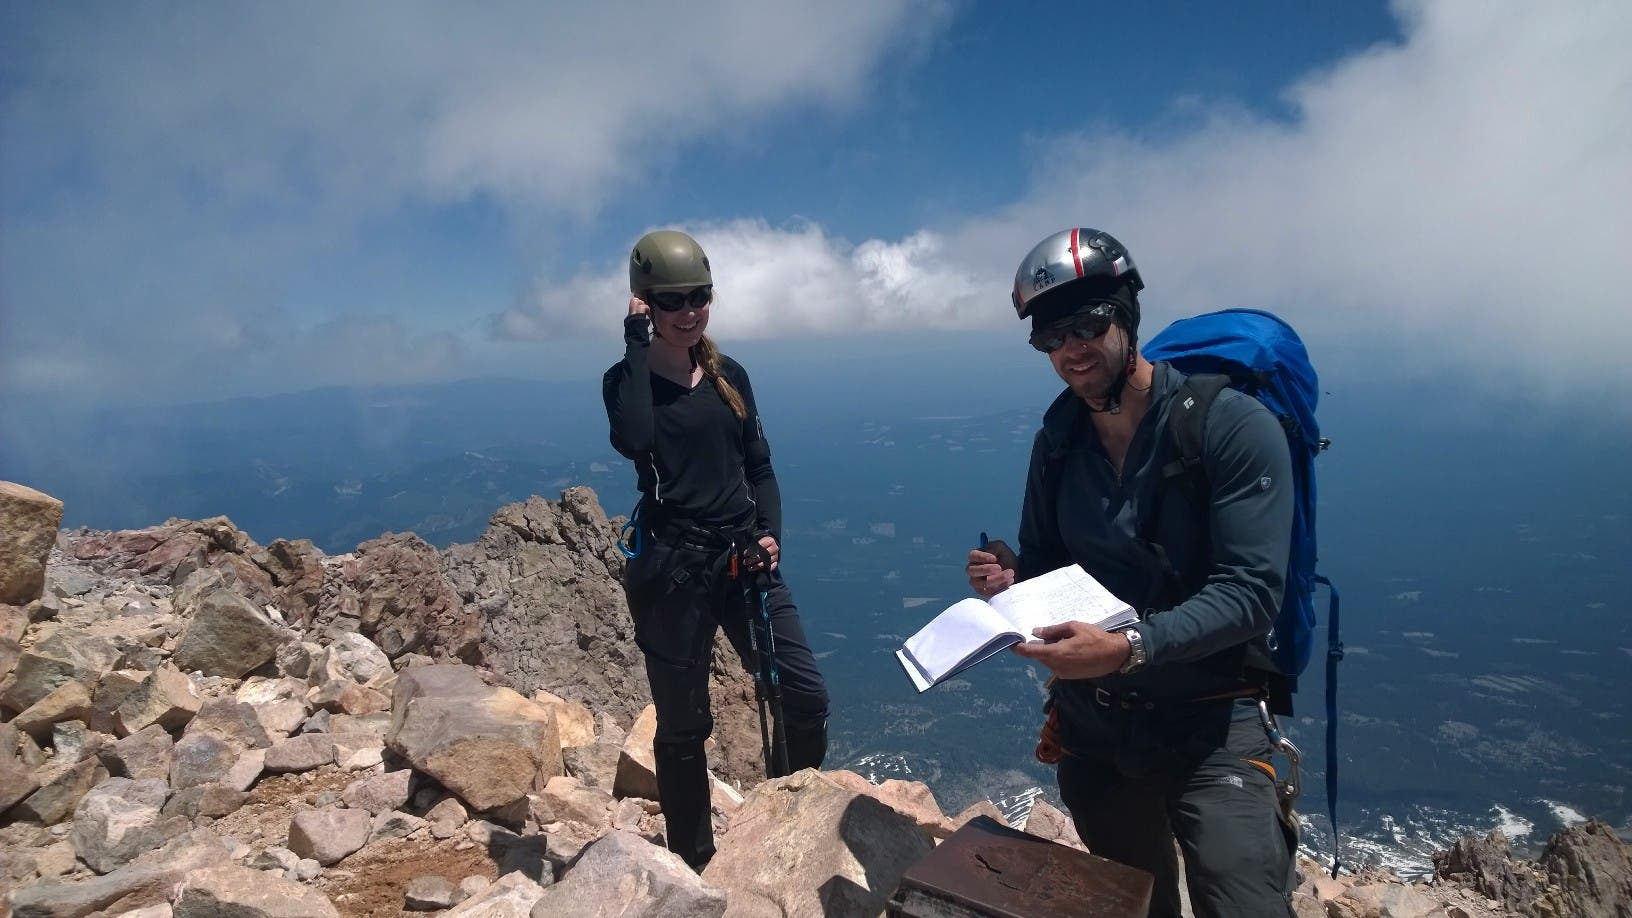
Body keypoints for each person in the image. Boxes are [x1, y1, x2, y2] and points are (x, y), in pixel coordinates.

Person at [966, 228, 1298, 916]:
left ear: (1127, 316)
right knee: (1133, 904)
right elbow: (1056, 569)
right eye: (1049, 337)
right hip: (1097, 727)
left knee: (1244, 905)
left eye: (1087, 325)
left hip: (1210, 722)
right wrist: (1014, 580)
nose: (1070, 350)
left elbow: (1252, 591)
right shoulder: (1059, 440)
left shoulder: (1229, 427)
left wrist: (1128, 647)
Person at [603, 229, 829, 870]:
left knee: (804, 695)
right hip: (675, 567)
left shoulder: (730, 376)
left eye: (699, 296)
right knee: (683, 727)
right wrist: (637, 346)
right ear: (644, 303)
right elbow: (636, 439)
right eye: (671, 300)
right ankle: (695, 865)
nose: (689, 311)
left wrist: (770, 536)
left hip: (744, 558)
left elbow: (760, 467)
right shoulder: (625, 381)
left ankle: (788, 821)